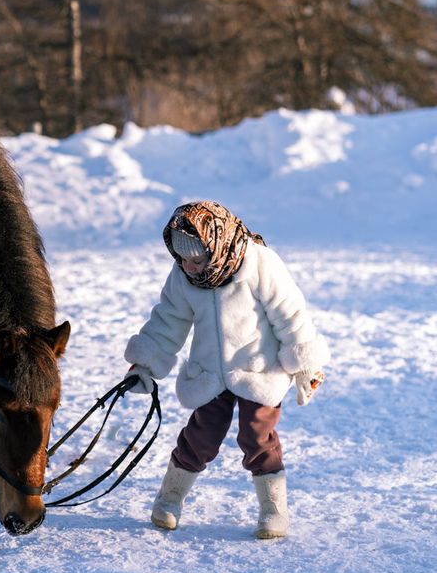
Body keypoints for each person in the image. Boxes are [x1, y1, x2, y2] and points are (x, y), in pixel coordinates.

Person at [125, 201, 329, 539]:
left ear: (216, 245)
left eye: (196, 259)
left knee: (257, 437)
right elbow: (168, 321)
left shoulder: (260, 265)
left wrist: (305, 365)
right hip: (210, 374)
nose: (189, 267)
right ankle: (170, 497)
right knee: (200, 438)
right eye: (182, 259)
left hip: (260, 371)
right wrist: (145, 364)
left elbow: (291, 315)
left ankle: (273, 509)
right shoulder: (185, 276)